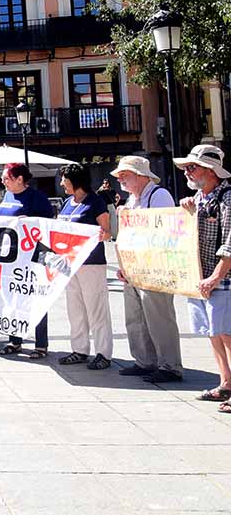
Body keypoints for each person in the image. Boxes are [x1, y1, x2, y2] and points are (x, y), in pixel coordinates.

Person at [112, 156, 182, 382]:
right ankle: (144, 361)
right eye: (120, 175)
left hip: (156, 268)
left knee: (159, 317)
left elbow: (167, 232)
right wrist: (124, 265)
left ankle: (169, 365)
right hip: (134, 267)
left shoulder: (158, 195)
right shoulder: (131, 200)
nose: (121, 179)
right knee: (135, 317)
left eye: (126, 174)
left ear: (142, 176)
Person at [175, 145, 231, 411]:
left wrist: (215, 278)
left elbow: (230, 244)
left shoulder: (227, 198)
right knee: (214, 334)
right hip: (204, 279)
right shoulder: (199, 199)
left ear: (210, 171)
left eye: (192, 167)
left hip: (221, 280)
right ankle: (226, 383)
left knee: (227, 334)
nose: (187, 172)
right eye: (187, 167)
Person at [54, 164, 113, 370]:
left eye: (64, 179)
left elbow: (107, 232)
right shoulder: (67, 203)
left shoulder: (95, 202)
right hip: (71, 264)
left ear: (75, 181)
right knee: (75, 308)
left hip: (92, 264)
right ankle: (79, 349)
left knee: (96, 308)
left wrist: (99, 234)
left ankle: (103, 353)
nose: (62, 183)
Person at [0, 162, 56, 358]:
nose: (3, 181)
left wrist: (28, 221)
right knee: (13, 297)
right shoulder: (7, 195)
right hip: (11, 256)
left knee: (36, 298)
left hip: (33, 256)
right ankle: (15, 340)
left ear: (20, 179)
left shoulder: (37, 198)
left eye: (7, 178)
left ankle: (41, 344)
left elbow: (48, 227)